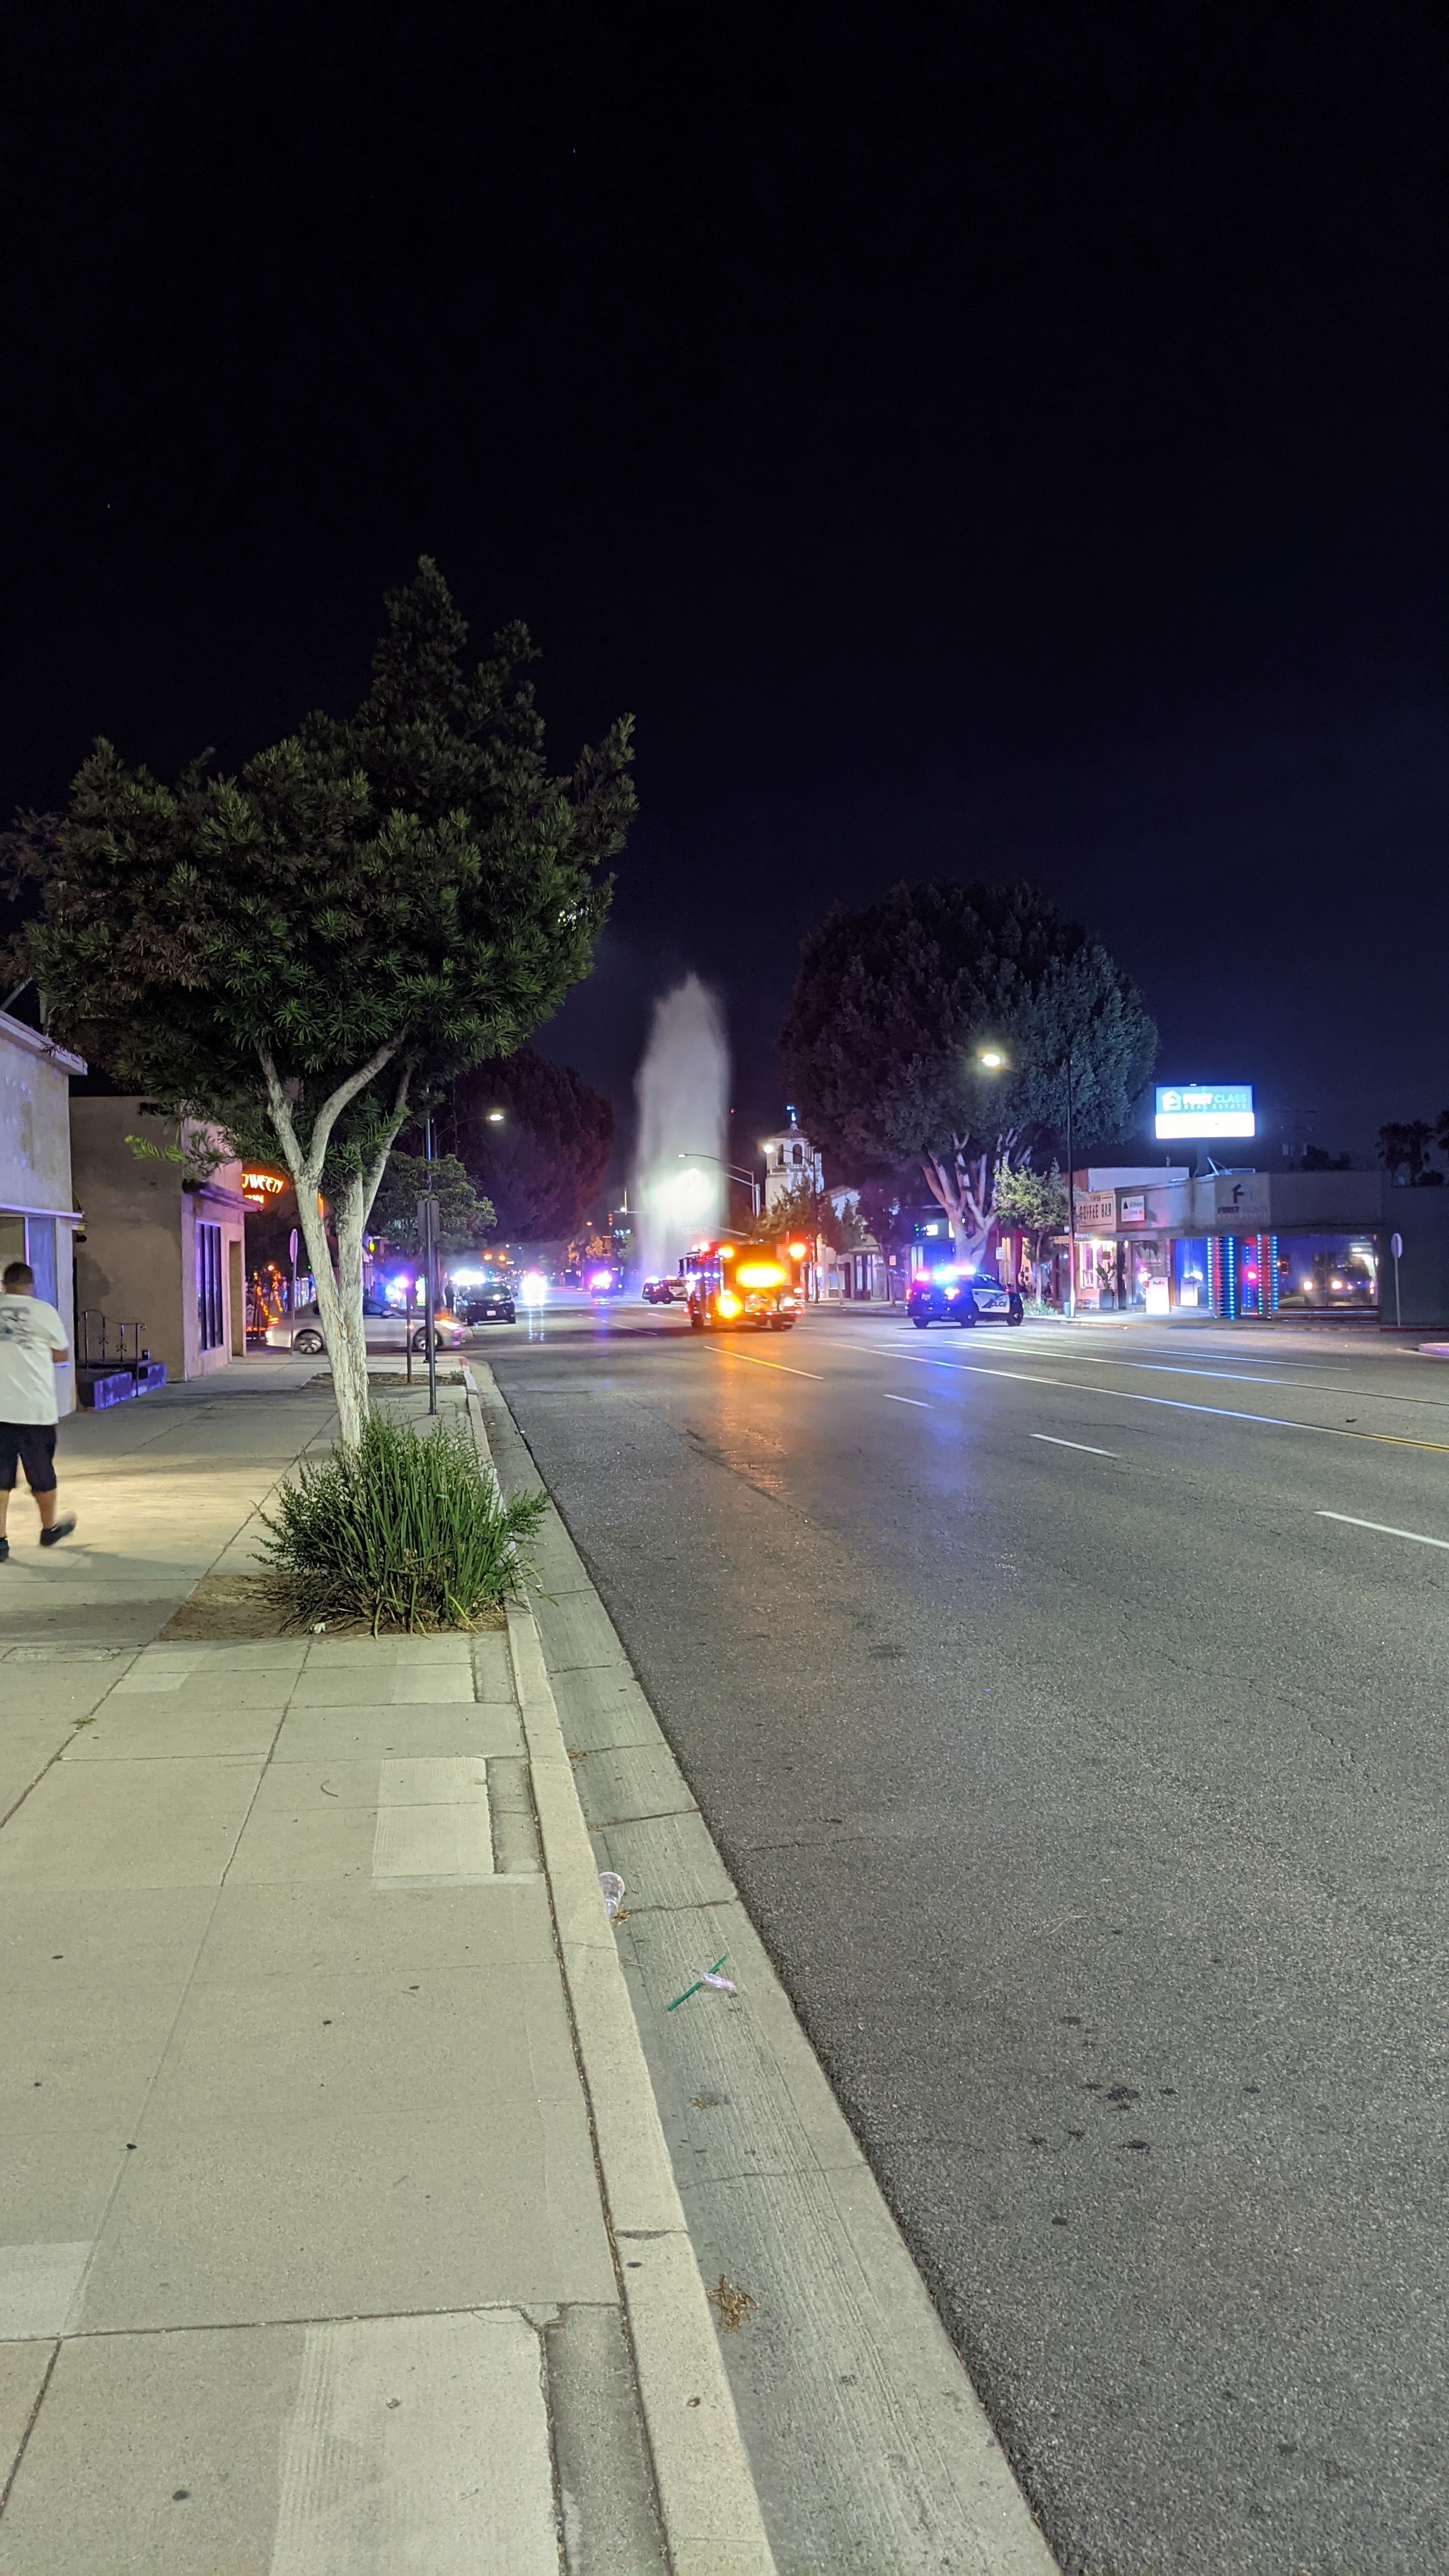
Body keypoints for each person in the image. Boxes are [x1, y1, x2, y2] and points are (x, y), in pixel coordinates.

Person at [0, 1258, 76, 1558]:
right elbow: (60, 1353)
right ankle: (48, 1530)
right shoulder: (44, 1311)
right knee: (42, 1473)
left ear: (4, 1285)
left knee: (0, 1477)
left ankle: (1, 1541)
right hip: (34, 1409)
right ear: (30, 1285)